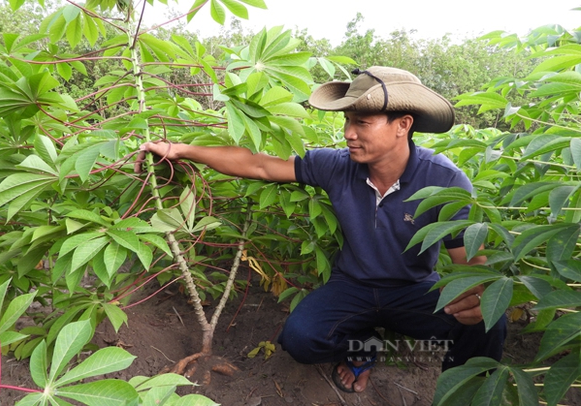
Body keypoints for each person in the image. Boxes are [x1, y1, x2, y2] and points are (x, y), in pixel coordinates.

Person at [136, 66, 507, 394]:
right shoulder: (337, 166)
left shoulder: (444, 180)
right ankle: (364, 346)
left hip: (415, 289)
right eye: (347, 121)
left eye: (361, 123)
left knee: (490, 321)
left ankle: (460, 389)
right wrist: (181, 149)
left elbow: (471, 263)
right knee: (301, 339)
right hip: (353, 287)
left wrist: (475, 301)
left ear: (403, 125)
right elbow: (261, 166)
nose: (348, 134)